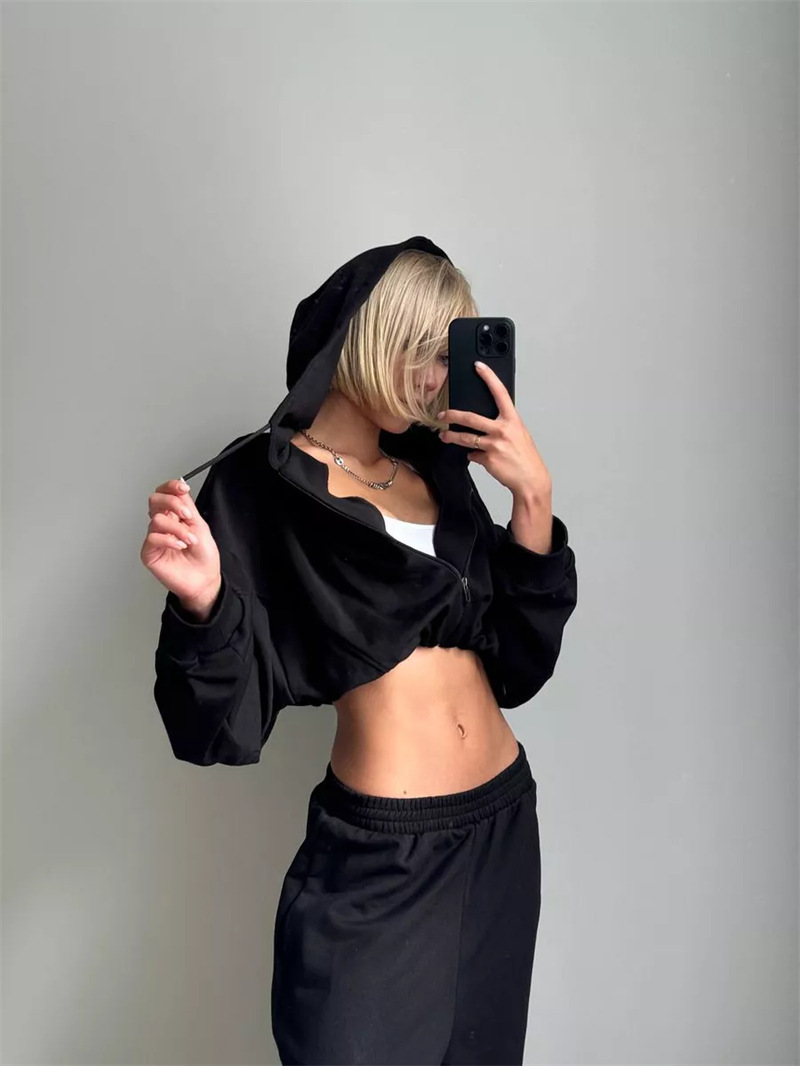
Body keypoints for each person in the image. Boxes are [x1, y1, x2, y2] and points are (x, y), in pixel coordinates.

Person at [141, 236, 578, 1065]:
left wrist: (532, 496)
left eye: (447, 357)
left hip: (501, 826)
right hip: (383, 857)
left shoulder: (437, 472)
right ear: (373, 338)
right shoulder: (260, 486)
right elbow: (216, 726)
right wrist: (203, 603)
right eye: (427, 353)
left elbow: (518, 662)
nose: (437, 381)